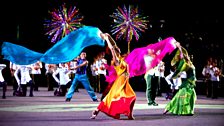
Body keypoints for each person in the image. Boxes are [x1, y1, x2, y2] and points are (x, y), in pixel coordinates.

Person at [90, 33, 136, 120]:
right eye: (116, 49)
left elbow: (114, 45)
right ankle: (97, 110)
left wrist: (109, 36)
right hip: (120, 81)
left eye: (117, 48)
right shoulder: (116, 60)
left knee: (132, 97)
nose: (118, 48)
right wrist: (106, 39)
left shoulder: (122, 59)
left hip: (125, 81)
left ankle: (129, 114)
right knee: (112, 96)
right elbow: (112, 48)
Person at [163, 46, 197, 115]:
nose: (188, 57)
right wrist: (179, 47)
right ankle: (168, 108)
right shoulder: (186, 65)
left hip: (191, 83)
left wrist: (180, 47)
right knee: (179, 96)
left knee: (191, 96)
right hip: (187, 83)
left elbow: (184, 54)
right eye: (186, 57)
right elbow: (182, 56)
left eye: (188, 57)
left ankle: (189, 110)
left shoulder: (191, 64)